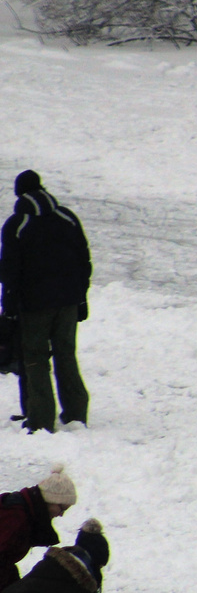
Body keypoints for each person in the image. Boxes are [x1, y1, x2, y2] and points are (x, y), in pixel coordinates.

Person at [1, 170, 92, 433]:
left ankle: (40, 419)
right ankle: (76, 412)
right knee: (66, 355)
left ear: (20, 194)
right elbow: (83, 261)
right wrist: (81, 298)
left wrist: (9, 307)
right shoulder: (68, 218)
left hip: (34, 306)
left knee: (35, 358)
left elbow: (11, 270)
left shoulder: (17, 225)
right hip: (68, 302)